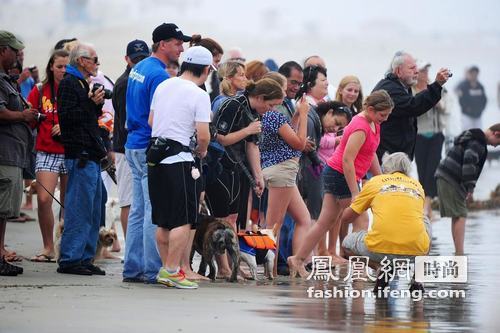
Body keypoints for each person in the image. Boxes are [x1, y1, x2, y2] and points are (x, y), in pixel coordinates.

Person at [288, 90, 394, 277]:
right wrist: (355, 192)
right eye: (382, 115)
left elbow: (371, 154)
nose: (385, 119)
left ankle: (297, 259)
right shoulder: (360, 126)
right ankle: (359, 269)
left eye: (387, 115)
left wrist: (381, 180)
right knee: (362, 219)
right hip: (340, 175)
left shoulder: (374, 123)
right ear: (370, 109)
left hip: (336, 173)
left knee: (324, 222)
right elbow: (347, 160)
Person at [123, 23, 191, 284]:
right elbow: (157, 119)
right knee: (154, 211)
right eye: (177, 43)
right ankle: (153, 270)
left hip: (132, 143)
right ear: (162, 44)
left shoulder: (138, 68)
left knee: (139, 210)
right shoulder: (160, 76)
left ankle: (132, 268)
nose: (181, 48)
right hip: (147, 145)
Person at [148, 46, 212, 289]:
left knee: (163, 220)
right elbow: (203, 135)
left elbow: (152, 121)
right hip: (180, 161)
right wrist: (201, 150)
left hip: (156, 159)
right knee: (183, 220)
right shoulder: (198, 94)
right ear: (206, 70)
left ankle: (167, 269)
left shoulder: (164, 85)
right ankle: (173, 270)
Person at [341, 152, 431, 290]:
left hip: (379, 247)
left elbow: (347, 218)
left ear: (386, 168)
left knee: (346, 245)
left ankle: (380, 267)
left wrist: (353, 204)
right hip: (416, 250)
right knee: (424, 220)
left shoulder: (375, 182)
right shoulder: (417, 186)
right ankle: (418, 279)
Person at [56, 42, 106, 275]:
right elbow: (67, 118)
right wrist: (90, 103)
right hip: (80, 155)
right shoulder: (68, 83)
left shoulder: (80, 82)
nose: (97, 64)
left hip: (90, 153)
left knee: (95, 208)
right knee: (79, 208)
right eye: (94, 59)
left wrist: (95, 105)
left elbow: (86, 117)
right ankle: (70, 259)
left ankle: (85, 257)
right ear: (82, 61)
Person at [27, 49, 70, 263]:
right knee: (44, 199)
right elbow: (29, 118)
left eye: (66, 67)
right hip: (47, 150)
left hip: (71, 151)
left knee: (68, 203)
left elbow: (87, 118)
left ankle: (67, 248)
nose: (63, 70)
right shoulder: (40, 90)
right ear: (51, 67)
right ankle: (48, 247)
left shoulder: (76, 89)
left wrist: (65, 126)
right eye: (59, 66)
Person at [0, 30, 37, 275]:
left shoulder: (6, 79)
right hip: (4, 155)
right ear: (2, 50)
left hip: (12, 153)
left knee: (3, 211)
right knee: (1, 210)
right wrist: (23, 115)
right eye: (14, 50)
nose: (17, 55)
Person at [372, 51, 451, 161]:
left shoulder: (401, 86)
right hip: (387, 157)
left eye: (416, 68)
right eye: (412, 68)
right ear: (398, 71)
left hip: (395, 155)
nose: (417, 71)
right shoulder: (390, 89)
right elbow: (414, 106)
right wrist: (437, 85)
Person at [435, 123, 500, 255]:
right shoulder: (478, 143)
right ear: (496, 134)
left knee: (458, 214)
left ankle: (458, 251)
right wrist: (470, 188)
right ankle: (459, 253)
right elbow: (469, 163)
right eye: (498, 142)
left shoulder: (472, 137)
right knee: (461, 214)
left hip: (445, 175)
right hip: (450, 178)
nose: (496, 146)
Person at [111, 39, 149, 246]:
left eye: (143, 58)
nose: (139, 62)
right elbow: (128, 120)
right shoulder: (126, 82)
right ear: (127, 59)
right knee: (129, 202)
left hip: (132, 147)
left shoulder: (137, 79)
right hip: (126, 148)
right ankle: (131, 249)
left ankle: (137, 248)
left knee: (138, 201)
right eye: (136, 59)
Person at [295, 65, 329, 227]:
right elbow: (307, 144)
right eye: (323, 80)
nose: (327, 83)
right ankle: (306, 251)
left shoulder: (316, 107)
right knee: (309, 216)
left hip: (310, 167)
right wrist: (318, 162)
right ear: (310, 86)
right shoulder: (307, 109)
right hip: (308, 168)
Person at [414, 61, 447, 219]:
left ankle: (427, 206)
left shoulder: (437, 88)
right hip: (419, 135)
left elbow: (445, 108)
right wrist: (424, 96)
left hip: (436, 134)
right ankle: (423, 204)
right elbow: (413, 110)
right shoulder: (411, 91)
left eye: (427, 71)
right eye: (422, 71)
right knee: (422, 169)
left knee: (433, 169)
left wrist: (433, 94)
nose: (425, 74)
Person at [456, 66, 487, 130]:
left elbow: (484, 99)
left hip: (478, 115)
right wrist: (467, 108)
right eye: (472, 74)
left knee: (479, 133)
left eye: (476, 74)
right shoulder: (463, 86)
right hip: (467, 116)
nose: (474, 76)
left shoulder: (480, 86)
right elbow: (461, 100)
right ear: (469, 74)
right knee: (467, 133)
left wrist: (481, 108)